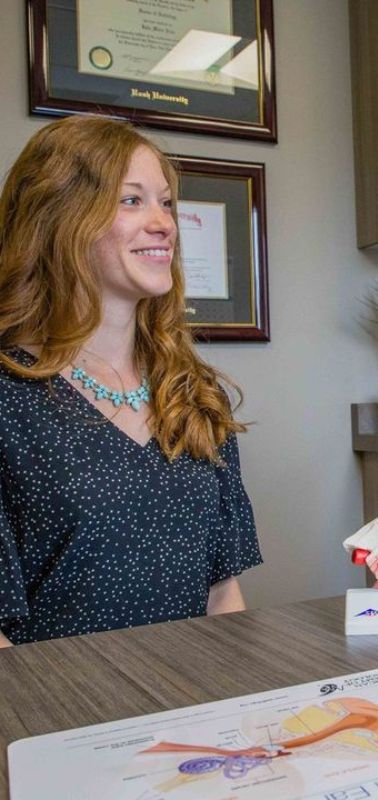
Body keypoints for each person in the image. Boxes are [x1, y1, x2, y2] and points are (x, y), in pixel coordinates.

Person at [0, 115, 263, 646]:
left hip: (190, 711)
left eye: (166, 202)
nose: (165, 222)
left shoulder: (193, 391)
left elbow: (222, 595)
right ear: (59, 216)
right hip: (58, 717)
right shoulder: (9, 396)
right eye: (131, 200)